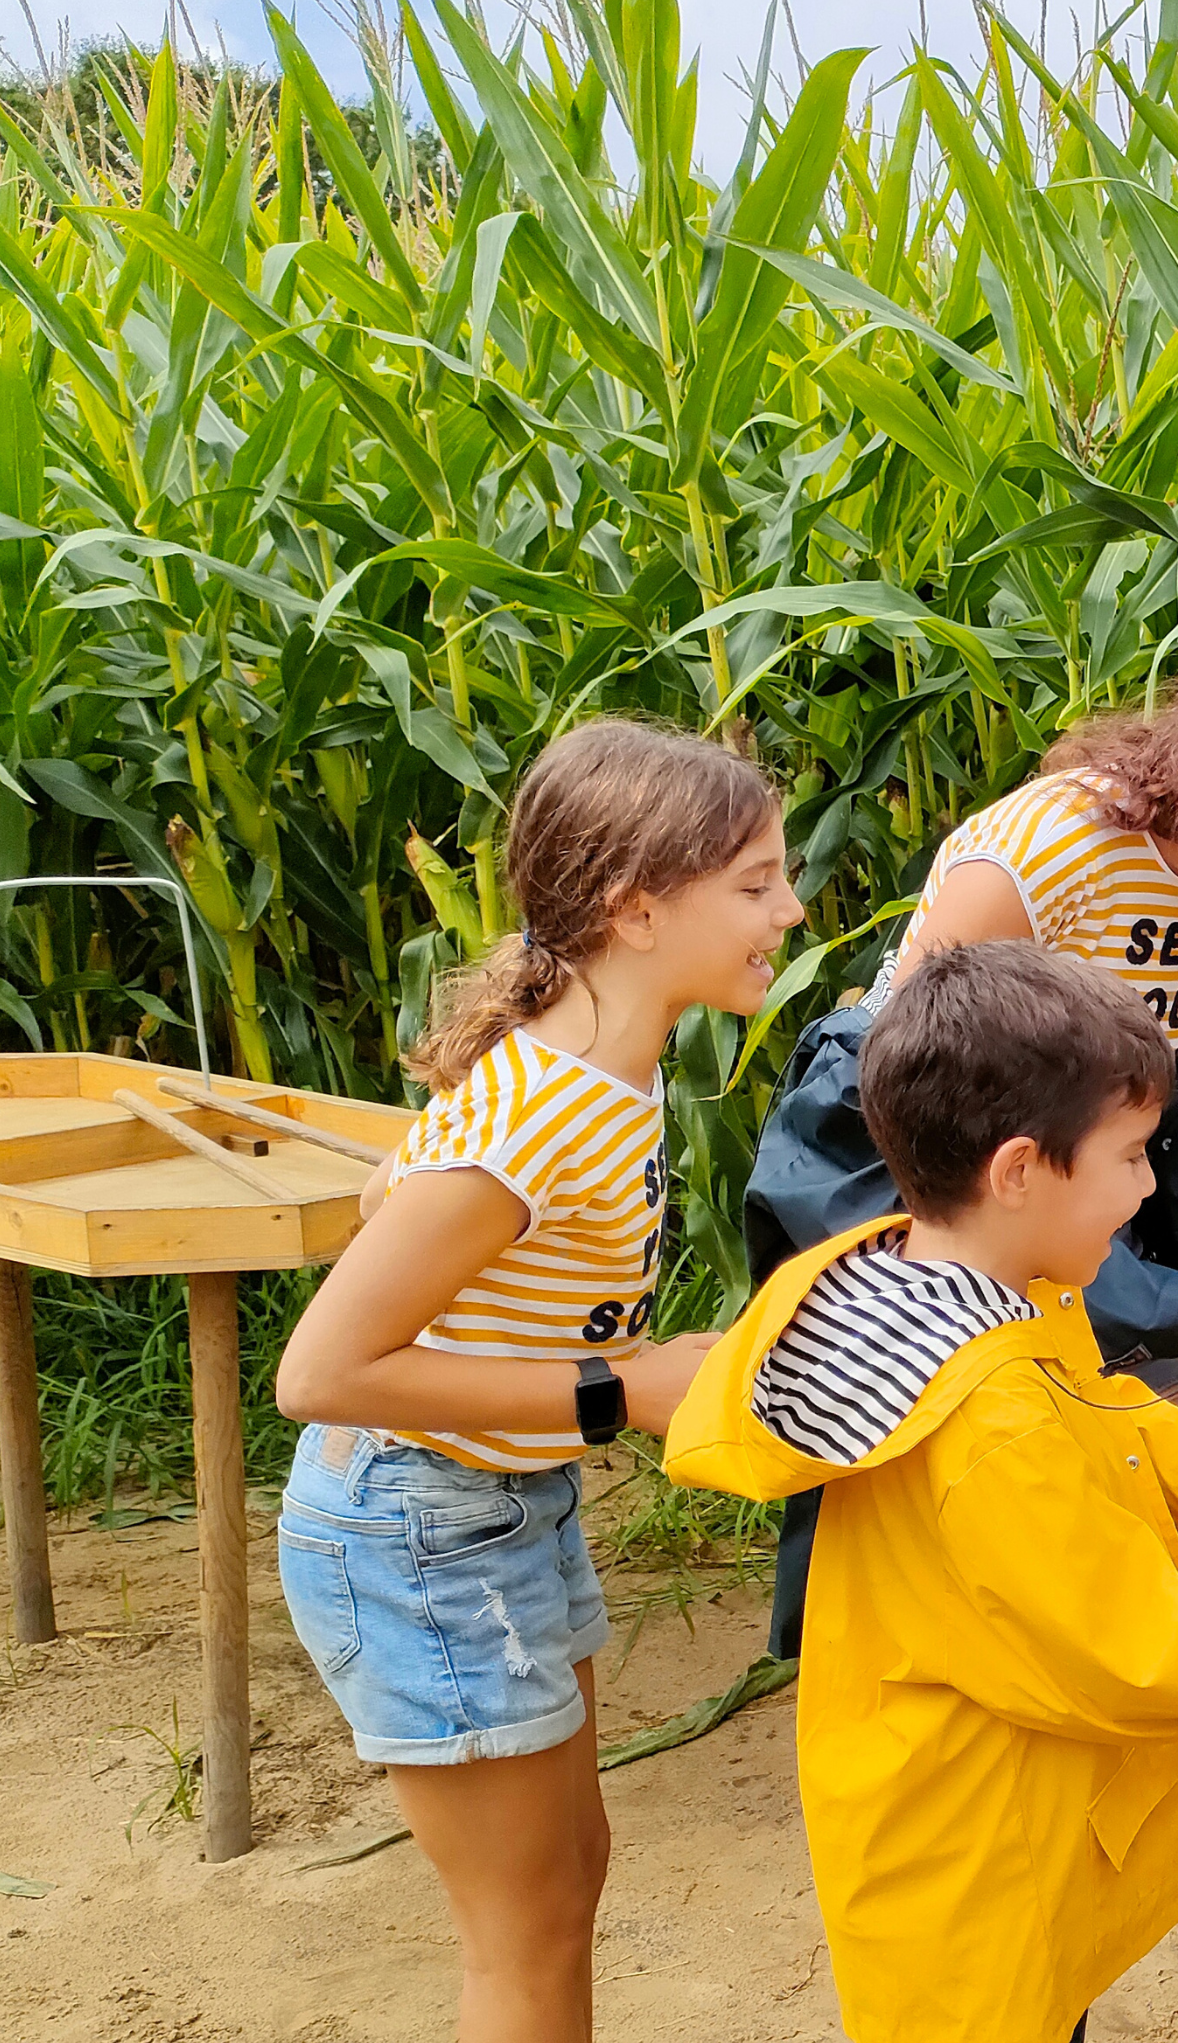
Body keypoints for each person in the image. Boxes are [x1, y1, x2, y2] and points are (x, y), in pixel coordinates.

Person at [743, 595, 1178, 2042]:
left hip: (1057, 1260)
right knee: (1051, 1658)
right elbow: (898, 1145)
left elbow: (1156, 1112)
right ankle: (1020, 1982)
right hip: (951, 1289)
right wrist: (1155, 1297)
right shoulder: (1046, 854)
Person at [272, 718, 800, 2043]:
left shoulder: (603, 1061)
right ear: (634, 909)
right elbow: (322, 1370)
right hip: (417, 1526)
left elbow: (410, 1205)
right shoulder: (541, 1109)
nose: (790, 908)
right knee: (523, 1931)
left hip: (504, 1508)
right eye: (753, 883)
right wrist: (618, 1390)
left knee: (567, 1885)